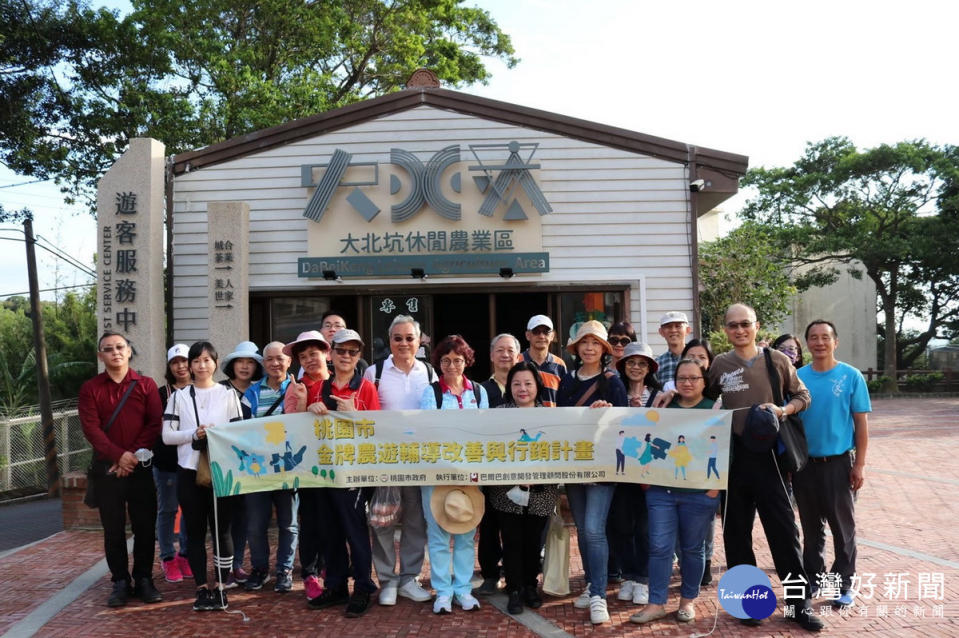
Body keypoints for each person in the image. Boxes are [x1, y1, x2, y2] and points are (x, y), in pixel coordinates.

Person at [706, 303, 823, 631]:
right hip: (733, 459)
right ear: (725, 329)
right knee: (736, 535)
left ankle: (799, 606)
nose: (740, 330)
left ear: (756, 326)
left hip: (771, 457)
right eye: (733, 325)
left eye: (745, 324)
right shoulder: (719, 365)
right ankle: (748, 604)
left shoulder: (777, 360)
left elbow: (803, 396)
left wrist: (782, 410)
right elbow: (704, 398)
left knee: (785, 534)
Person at [630, 358, 719, 624]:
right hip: (661, 491)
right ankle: (656, 603)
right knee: (659, 547)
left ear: (704, 382)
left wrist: (713, 490)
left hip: (699, 493)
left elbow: (724, 450)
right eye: (682, 378)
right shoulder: (664, 405)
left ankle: (687, 602)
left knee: (692, 549)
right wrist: (646, 478)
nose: (688, 383)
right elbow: (648, 438)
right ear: (674, 381)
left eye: (694, 378)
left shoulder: (714, 409)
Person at [78, 331, 163, 608]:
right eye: (108, 348)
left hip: (139, 468)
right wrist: (118, 455)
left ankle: (144, 579)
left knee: (145, 527)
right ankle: (120, 581)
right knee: (112, 529)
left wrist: (132, 457)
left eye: (120, 347)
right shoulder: (91, 388)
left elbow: (154, 423)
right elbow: (91, 429)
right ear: (100, 355)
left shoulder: (146, 385)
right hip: (107, 469)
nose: (115, 352)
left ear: (129, 351)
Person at [162, 341, 244, 612]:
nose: (201, 365)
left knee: (222, 531)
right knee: (194, 532)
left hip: (223, 472)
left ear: (216, 363)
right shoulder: (179, 397)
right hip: (189, 472)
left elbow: (239, 432)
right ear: (189, 365)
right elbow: (167, 435)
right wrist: (193, 434)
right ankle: (200, 587)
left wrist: (216, 434)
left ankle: (221, 586)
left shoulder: (229, 395)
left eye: (207, 360)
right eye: (196, 360)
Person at [795, 320, 871, 608]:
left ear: (835, 342)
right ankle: (814, 579)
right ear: (807, 343)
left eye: (825, 337)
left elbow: (861, 424)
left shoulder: (851, 376)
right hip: (805, 465)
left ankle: (843, 585)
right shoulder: (798, 377)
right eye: (813, 338)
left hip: (839, 464)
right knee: (811, 529)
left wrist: (859, 465)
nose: (819, 342)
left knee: (843, 528)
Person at [556, 320, 628, 624]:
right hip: (575, 464)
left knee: (595, 528)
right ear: (577, 348)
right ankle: (590, 583)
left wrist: (607, 412)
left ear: (604, 349)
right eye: (584, 342)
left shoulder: (613, 381)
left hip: (602, 465)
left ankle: (599, 594)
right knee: (583, 530)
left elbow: (624, 423)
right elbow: (561, 421)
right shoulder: (568, 381)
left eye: (595, 343)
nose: (588, 348)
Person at [306, 328, 380, 617]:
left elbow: (378, 432)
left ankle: (362, 586)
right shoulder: (319, 387)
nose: (346, 356)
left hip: (355, 472)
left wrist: (355, 414)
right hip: (324, 471)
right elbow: (305, 428)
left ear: (359, 356)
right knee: (329, 531)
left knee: (355, 531)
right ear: (330, 354)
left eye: (352, 352)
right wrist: (308, 408)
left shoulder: (366, 388)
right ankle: (336, 586)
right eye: (341, 351)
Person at [363, 315, 435, 606]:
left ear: (419, 342)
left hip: (419, 460)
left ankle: (408, 578)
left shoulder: (429, 373)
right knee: (382, 520)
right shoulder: (374, 372)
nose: (404, 343)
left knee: (416, 521)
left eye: (409, 338)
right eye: (398, 338)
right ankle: (387, 581)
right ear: (389, 340)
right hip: (383, 459)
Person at [419, 334, 489, 614]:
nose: (452, 366)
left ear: (466, 361)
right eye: (446, 360)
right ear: (438, 362)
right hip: (437, 474)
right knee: (436, 535)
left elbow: (484, 433)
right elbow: (427, 431)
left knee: (465, 532)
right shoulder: (431, 392)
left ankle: (463, 589)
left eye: (457, 360)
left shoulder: (479, 392)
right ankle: (443, 592)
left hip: (470, 474)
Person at [488, 362, 558, 615]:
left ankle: (531, 584)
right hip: (507, 492)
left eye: (528, 383)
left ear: (537, 386)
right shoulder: (498, 414)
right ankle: (514, 589)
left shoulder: (551, 415)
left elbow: (557, 452)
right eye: (516, 383)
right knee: (512, 541)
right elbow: (490, 450)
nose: (522, 389)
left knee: (533, 541)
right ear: (509, 386)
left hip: (541, 491)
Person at [608, 341, 661, 607]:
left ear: (650, 367)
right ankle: (627, 576)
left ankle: (643, 578)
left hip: (649, 474)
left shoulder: (660, 395)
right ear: (623, 366)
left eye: (642, 363)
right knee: (621, 525)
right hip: (618, 471)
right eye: (631, 363)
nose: (636, 368)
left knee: (645, 528)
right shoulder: (614, 392)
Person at [242, 341, 298, 593]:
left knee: (289, 523)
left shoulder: (298, 389)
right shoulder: (251, 394)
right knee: (255, 524)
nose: (275, 363)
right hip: (257, 471)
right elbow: (240, 429)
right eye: (270, 359)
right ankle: (260, 569)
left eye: (280, 358)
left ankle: (284, 570)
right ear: (263, 364)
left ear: (289, 361)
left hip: (289, 469)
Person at [282, 330, 331, 603]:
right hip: (308, 467)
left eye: (313, 353)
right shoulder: (295, 387)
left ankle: (330, 568)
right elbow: (289, 428)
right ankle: (311, 574)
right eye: (303, 356)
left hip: (337, 464)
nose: (310, 360)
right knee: (311, 521)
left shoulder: (339, 382)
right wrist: (302, 403)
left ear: (325, 353)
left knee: (333, 521)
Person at [474, 333, 522, 596]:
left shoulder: (526, 385)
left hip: (521, 467)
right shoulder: (480, 390)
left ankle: (518, 575)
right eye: (500, 350)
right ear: (491, 356)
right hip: (490, 467)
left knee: (517, 524)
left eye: (510, 350)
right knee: (490, 522)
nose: (505, 355)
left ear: (518, 355)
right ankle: (490, 574)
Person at [219, 340, 263, 587]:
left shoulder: (260, 390)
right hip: (226, 463)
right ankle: (224, 567)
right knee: (226, 518)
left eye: (250, 363)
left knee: (245, 518)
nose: (245, 367)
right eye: (241, 362)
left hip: (253, 466)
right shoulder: (220, 390)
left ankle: (237, 565)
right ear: (232, 365)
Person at [154, 344, 193, 584]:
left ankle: (185, 555)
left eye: (185, 360)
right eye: (175, 362)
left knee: (191, 510)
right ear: (169, 366)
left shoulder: (201, 391)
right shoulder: (161, 393)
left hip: (193, 462)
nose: (181, 366)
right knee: (167, 510)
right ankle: (167, 557)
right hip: (167, 462)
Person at [521, 315, 567, 407]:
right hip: (523, 419)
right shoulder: (517, 361)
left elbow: (564, 398)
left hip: (552, 419)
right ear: (527, 335)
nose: (541, 336)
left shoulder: (560, 365)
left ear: (552, 336)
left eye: (546, 332)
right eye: (536, 332)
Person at [320, 310, 368, 375]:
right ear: (320, 330)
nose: (332, 329)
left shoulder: (360, 365)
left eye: (338, 326)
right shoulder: (313, 362)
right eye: (328, 326)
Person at [655, 311, 692, 386]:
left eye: (678, 326)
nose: (673, 330)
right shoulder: (657, 364)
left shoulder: (695, 358)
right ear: (661, 332)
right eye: (668, 327)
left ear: (688, 330)